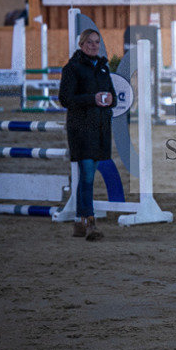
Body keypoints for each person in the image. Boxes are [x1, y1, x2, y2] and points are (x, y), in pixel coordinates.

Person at [59, 29, 116, 241]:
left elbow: (111, 96)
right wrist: (93, 98)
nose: (94, 46)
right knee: (88, 176)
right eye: (90, 42)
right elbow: (65, 99)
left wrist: (110, 99)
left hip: (100, 128)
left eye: (96, 42)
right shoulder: (72, 68)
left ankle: (79, 221)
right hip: (81, 128)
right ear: (81, 44)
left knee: (86, 176)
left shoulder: (102, 67)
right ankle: (90, 221)